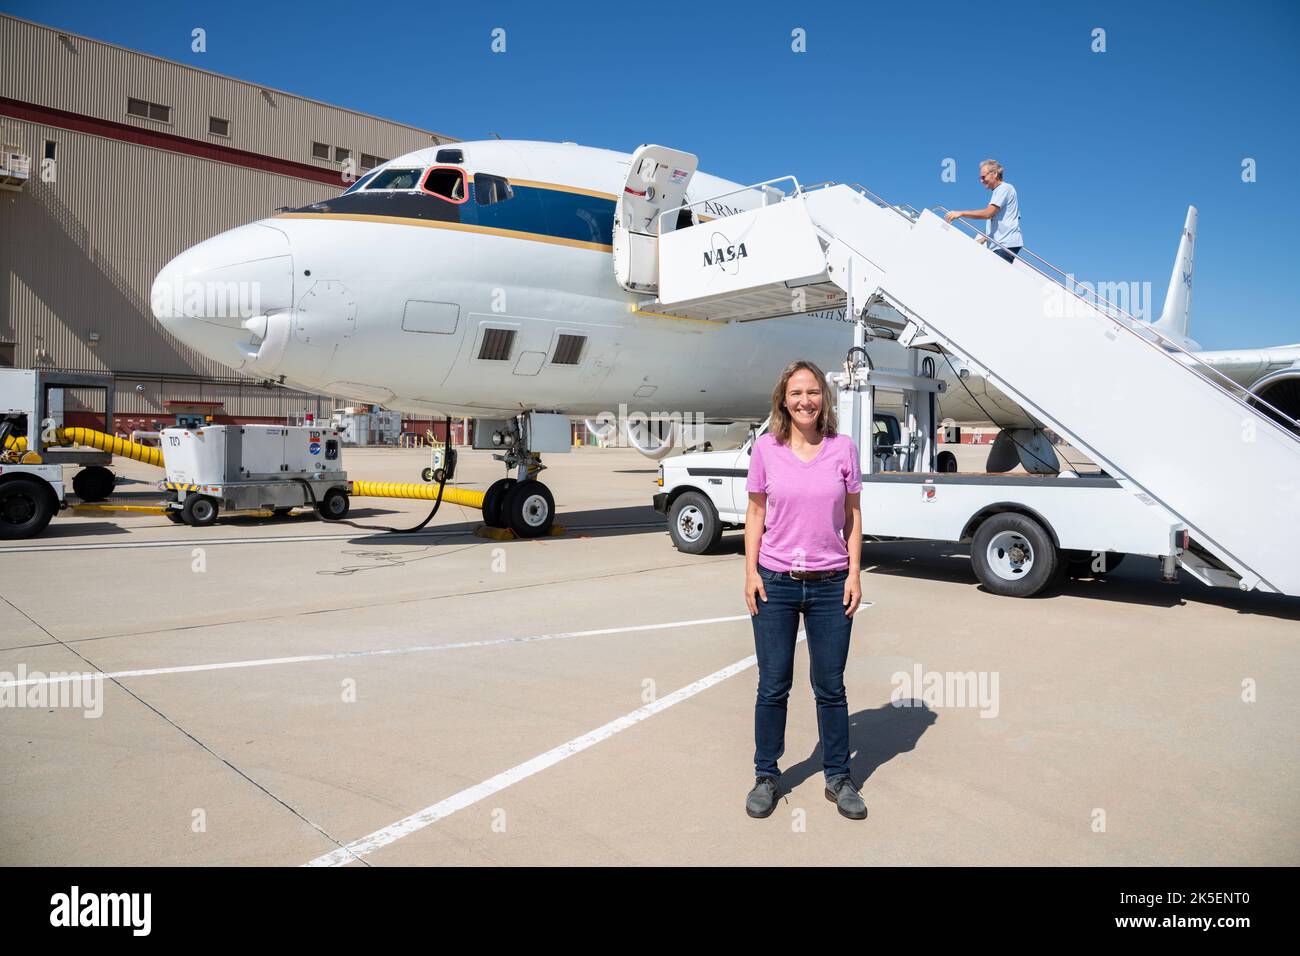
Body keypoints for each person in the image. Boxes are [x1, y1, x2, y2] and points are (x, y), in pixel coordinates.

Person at [743, 359, 865, 820]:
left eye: (812, 392)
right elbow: (755, 514)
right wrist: (750, 573)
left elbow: (852, 516)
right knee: (773, 686)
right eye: (796, 393)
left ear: (823, 398)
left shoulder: (843, 449)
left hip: (832, 584)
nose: (805, 401)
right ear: (783, 400)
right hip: (775, 582)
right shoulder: (767, 450)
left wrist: (854, 573)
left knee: (830, 687)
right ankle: (766, 775)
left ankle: (838, 776)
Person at [944, 159, 1023, 263]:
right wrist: (985, 239)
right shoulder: (1001, 190)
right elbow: (1004, 220)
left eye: (983, 177)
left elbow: (988, 214)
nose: (981, 181)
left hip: (1004, 245)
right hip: (1001, 243)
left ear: (994, 174)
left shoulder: (1004, 188)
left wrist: (961, 213)